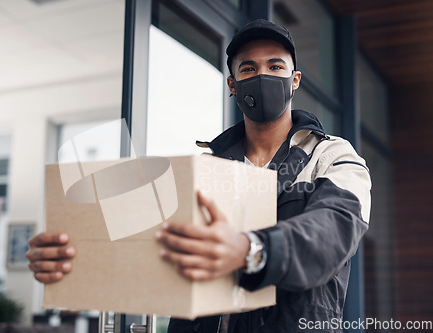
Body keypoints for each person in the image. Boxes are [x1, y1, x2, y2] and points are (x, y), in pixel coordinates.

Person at [27, 19, 371, 333]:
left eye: (275, 66)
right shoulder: (203, 168)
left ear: (294, 80)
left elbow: (333, 230)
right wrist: (72, 258)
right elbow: (142, 245)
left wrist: (252, 249)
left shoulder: (333, 156)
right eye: (249, 68)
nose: (262, 75)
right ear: (233, 85)